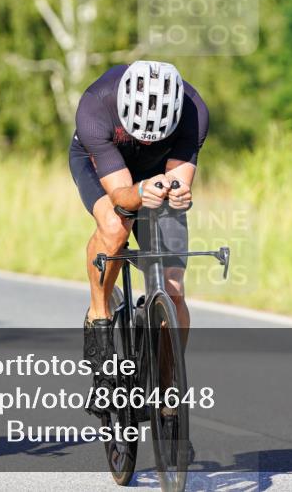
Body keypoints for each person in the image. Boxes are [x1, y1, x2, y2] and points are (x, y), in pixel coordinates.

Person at [69, 60, 209, 405]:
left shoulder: (194, 110)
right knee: (116, 226)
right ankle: (99, 312)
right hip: (102, 166)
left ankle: (166, 386)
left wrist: (177, 192)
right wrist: (140, 190)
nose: (149, 140)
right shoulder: (95, 106)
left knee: (173, 290)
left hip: (158, 171)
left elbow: (179, 179)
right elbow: (120, 196)